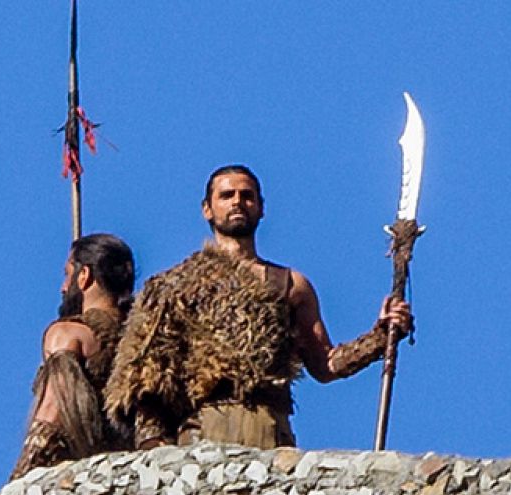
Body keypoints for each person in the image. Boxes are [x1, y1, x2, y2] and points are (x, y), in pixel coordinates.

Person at [104, 164, 413, 449]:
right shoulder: (173, 285)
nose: (238, 202)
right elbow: (146, 378)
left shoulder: (292, 285)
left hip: (270, 427)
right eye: (227, 195)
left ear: (261, 208)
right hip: (204, 427)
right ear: (207, 210)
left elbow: (325, 365)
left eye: (247, 196)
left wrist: (380, 335)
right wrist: (155, 449)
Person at [10, 233, 137, 480]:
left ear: (84, 276)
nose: (63, 287)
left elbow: (53, 407)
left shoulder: (68, 334)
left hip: (80, 466)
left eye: (68, 274)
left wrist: (25, 472)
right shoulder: (142, 339)